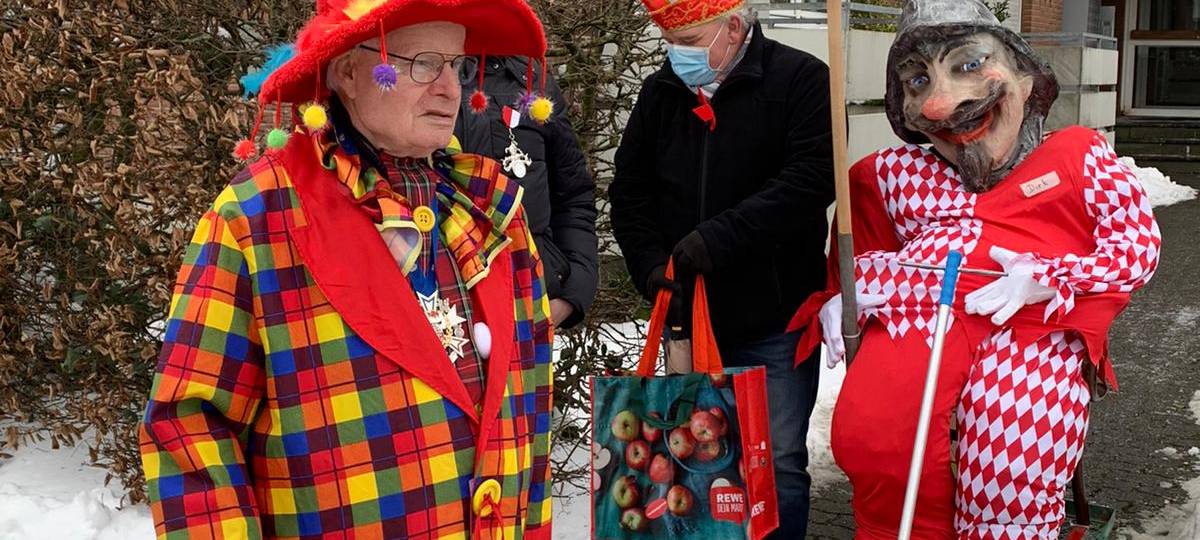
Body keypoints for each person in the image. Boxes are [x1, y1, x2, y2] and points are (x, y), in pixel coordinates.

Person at [138, 1, 556, 538]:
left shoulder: (493, 212)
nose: (450, 89)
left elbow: (530, 413)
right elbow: (191, 433)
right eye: (424, 62)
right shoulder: (257, 218)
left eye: (457, 66)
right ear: (348, 71)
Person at [789, 1, 1163, 537]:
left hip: (1034, 325)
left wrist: (1052, 276)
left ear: (1026, 77)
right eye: (916, 82)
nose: (938, 104)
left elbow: (1134, 246)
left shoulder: (1078, 155)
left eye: (967, 65)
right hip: (922, 312)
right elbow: (859, 254)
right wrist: (846, 294)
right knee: (875, 437)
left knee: (1013, 454)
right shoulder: (887, 175)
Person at [610, 0, 835, 537]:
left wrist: (717, 240)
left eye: (689, 42)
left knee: (775, 460)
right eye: (670, 42)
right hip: (688, 318)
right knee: (692, 461)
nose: (676, 56)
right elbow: (629, 193)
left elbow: (810, 180)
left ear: (733, 27)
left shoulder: (800, 79)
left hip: (774, 317)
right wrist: (649, 267)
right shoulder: (662, 92)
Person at [456, 57, 599, 329]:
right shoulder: (412, 73)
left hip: (530, 309)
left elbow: (573, 196)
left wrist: (571, 290)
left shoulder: (532, 81)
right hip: (440, 310)